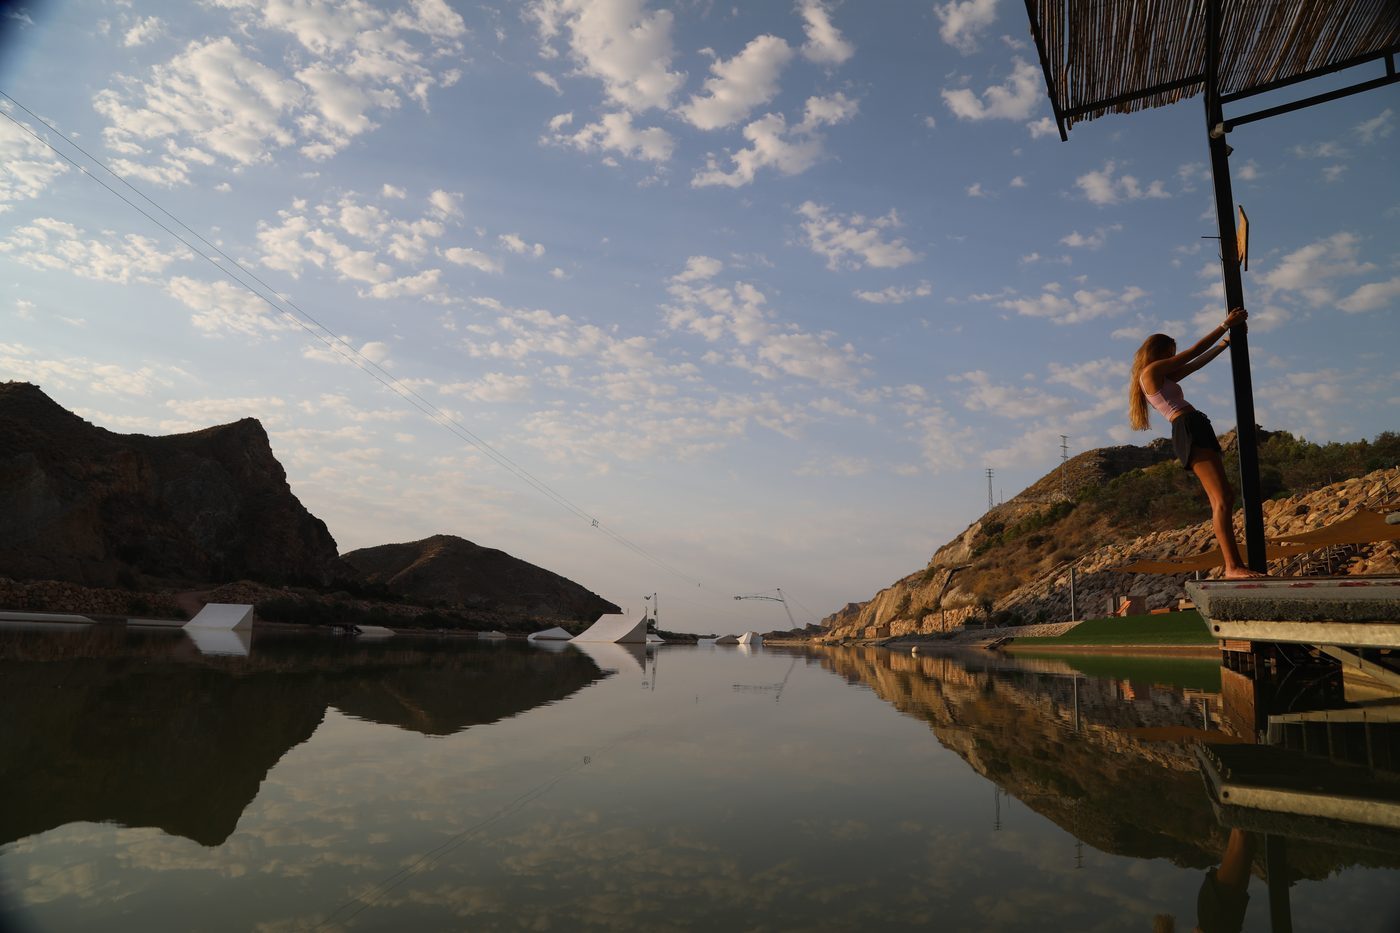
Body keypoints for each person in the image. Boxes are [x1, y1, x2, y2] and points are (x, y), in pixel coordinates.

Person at [1129, 308, 1263, 579]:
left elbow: (1194, 364)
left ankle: (1234, 566)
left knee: (1224, 497)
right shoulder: (1151, 371)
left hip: (1194, 426)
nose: (1172, 356)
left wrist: (1225, 344)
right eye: (1170, 352)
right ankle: (1232, 567)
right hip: (1188, 427)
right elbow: (1192, 353)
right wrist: (1225, 325)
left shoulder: (1162, 375)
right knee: (1222, 498)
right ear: (1158, 351)